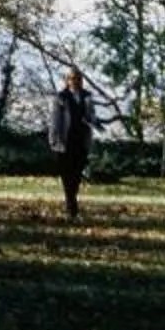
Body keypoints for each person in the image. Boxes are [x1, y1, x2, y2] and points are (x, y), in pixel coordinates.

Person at [49, 64, 98, 219]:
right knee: (66, 176)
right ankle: (72, 208)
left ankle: (72, 205)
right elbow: (55, 121)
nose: (75, 81)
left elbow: (92, 117)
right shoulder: (61, 97)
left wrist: (92, 121)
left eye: (77, 78)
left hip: (81, 141)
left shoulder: (87, 96)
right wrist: (53, 140)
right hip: (64, 142)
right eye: (71, 78)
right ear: (67, 80)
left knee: (76, 176)